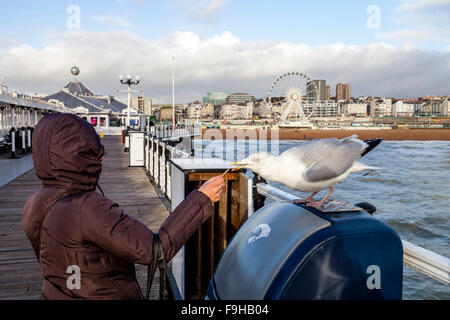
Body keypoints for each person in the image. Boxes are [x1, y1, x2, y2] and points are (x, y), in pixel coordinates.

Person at [22, 113, 225, 300]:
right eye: (92, 152)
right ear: (75, 157)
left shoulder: (34, 201)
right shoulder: (86, 207)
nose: (101, 157)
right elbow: (154, 250)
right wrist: (201, 198)